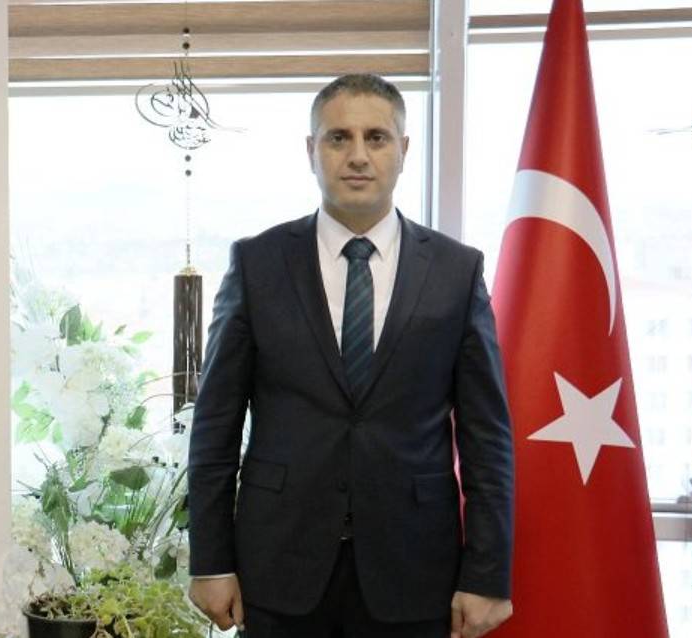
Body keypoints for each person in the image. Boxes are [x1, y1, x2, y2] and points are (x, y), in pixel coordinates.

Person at [186, 74, 515, 638]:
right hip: (278, 566)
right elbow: (216, 426)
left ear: (403, 150)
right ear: (311, 150)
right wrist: (210, 561)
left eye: (376, 137)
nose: (358, 155)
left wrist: (487, 575)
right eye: (338, 137)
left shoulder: (457, 271)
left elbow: (487, 439)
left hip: (415, 568)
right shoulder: (258, 263)